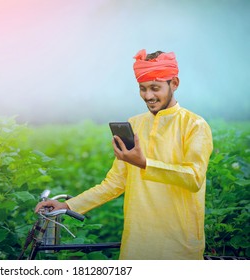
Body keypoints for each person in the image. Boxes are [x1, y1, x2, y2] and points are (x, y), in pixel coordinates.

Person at [35, 49, 213, 260]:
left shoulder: (194, 125)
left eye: (155, 88)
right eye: (143, 89)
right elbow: (114, 183)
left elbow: (194, 178)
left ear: (174, 84)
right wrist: (68, 206)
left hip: (179, 245)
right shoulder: (135, 124)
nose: (148, 96)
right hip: (136, 242)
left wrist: (144, 163)